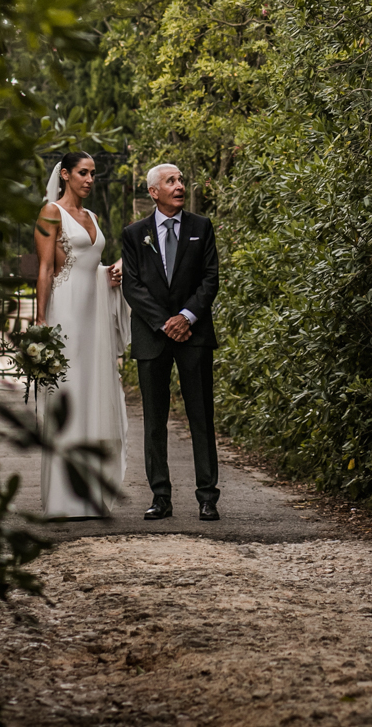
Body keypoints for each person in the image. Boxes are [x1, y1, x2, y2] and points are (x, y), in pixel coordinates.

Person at [118, 163, 222, 521]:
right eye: (171, 181)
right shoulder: (134, 234)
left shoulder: (201, 227)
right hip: (152, 336)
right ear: (154, 192)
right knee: (154, 420)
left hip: (194, 334)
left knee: (201, 416)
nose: (179, 186)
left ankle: (207, 496)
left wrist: (186, 317)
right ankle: (160, 496)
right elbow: (132, 286)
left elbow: (210, 279)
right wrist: (165, 323)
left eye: (180, 180)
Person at [33, 151, 129, 518]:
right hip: (67, 312)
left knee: (93, 390)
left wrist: (110, 273)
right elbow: (45, 269)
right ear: (66, 175)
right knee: (69, 394)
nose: (90, 179)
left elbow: (92, 265)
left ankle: (90, 491)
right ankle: (63, 497)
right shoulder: (50, 212)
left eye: (93, 174)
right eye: (83, 173)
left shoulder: (91, 216)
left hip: (96, 315)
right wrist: (41, 321)